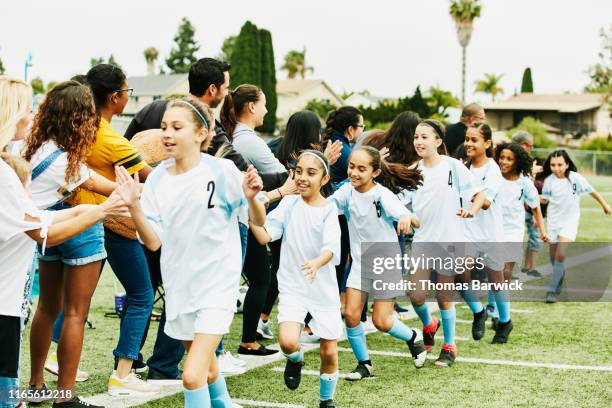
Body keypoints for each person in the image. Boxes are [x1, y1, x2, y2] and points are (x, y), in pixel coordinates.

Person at [115, 98, 266, 408]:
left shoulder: (222, 171)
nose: (167, 134)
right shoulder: (156, 179)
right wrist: (133, 206)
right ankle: (222, 403)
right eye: (164, 127)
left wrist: (252, 199)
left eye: (177, 127)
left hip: (217, 286)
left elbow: (259, 220)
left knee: (192, 376)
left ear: (200, 133)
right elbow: (153, 242)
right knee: (207, 367)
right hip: (180, 286)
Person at [0, 75, 126, 408]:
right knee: (74, 314)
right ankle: (65, 396)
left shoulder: (22, 145)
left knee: (46, 307)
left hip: (38, 230)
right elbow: (104, 191)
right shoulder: (65, 164)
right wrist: (121, 200)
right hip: (52, 233)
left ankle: (36, 384)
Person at [79, 64, 158, 395]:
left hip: (76, 219)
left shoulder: (78, 127)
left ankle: (45, 370)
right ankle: (122, 375)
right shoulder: (110, 137)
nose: (128, 98)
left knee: (73, 303)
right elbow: (152, 180)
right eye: (127, 93)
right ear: (114, 97)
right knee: (141, 294)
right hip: (110, 223)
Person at [250, 150, 342, 408]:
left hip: (323, 290)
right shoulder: (289, 204)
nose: (302, 177)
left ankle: (327, 400)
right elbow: (266, 235)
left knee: (329, 352)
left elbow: (331, 249)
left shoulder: (329, 209)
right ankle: (295, 359)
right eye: (298, 171)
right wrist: (252, 214)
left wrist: (316, 263)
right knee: (288, 342)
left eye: (311, 173)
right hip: (292, 287)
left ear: (324, 179)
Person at [329, 146, 426, 380]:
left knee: (381, 321)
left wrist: (404, 217)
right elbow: (325, 208)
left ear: (375, 172)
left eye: (362, 169)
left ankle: (413, 337)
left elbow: (415, 221)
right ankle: (365, 365)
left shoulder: (382, 195)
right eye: (351, 167)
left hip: (386, 262)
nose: (354, 173)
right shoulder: (346, 193)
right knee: (351, 315)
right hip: (361, 263)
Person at [404, 119, 486, 366]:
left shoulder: (454, 166)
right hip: (422, 242)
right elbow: (399, 203)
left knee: (443, 296)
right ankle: (429, 324)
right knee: (416, 295)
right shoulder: (412, 171)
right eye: (416, 137)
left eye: (425, 137)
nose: (419, 141)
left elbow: (479, 194)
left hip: (451, 241)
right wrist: (405, 215)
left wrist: (472, 209)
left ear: (438, 141)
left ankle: (449, 346)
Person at [221, 84, 287, 356]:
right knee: (261, 277)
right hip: (244, 218)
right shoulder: (246, 139)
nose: (267, 110)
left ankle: (245, 340)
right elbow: (282, 175)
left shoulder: (237, 136)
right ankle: (247, 341)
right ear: (251, 107)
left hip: (245, 216)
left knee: (258, 276)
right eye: (264, 104)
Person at [461, 123, 514, 344]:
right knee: (459, 275)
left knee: (496, 281)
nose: (468, 144)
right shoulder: (463, 167)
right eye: (467, 139)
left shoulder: (492, 169)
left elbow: (485, 203)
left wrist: (471, 203)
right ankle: (479, 311)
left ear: (487, 143)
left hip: (490, 233)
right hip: (468, 232)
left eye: (474, 140)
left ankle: (505, 322)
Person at [540, 150, 611, 303]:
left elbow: (592, 191)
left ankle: (552, 289)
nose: (556, 168)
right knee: (553, 257)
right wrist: (535, 199)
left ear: (566, 164)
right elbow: (545, 200)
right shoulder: (549, 181)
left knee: (560, 255)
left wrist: (604, 205)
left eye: (560, 164)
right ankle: (559, 277)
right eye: (553, 165)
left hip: (569, 221)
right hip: (553, 222)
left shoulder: (575, 178)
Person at [495, 142, 549, 285]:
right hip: (493, 230)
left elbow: (535, 206)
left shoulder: (524, 182)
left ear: (516, 162)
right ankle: (492, 304)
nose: (504, 161)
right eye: (502, 157)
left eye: (509, 159)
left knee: (506, 271)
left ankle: (494, 305)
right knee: (495, 271)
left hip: (513, 231)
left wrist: (543, 230)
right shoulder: (493, 177)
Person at [511, 131, 545, 277]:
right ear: (523, 145)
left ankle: (528, 267)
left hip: (523, 207)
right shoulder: (511, 160)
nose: (530, 149)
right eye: (529, 146)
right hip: (513, 208)